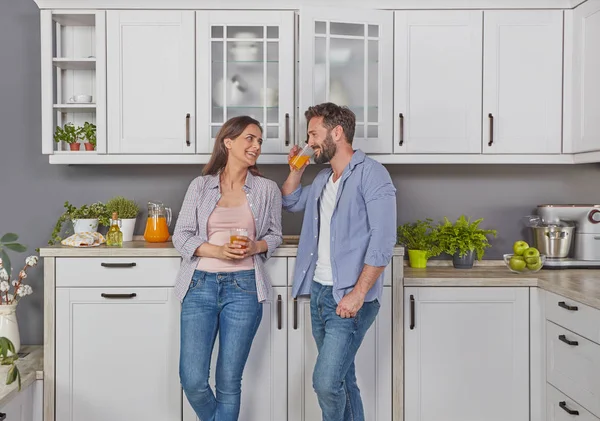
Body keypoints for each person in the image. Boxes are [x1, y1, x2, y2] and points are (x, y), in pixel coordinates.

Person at [282, 103, 396, 421]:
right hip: (319, 293)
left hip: (348, 297)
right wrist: (297, 167)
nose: (310, 142)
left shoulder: (373, 175)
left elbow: (383, 240)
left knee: (326, 382)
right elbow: (289, 201)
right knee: (344, 380)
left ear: (337, 132)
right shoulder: (322, 179)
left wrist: (358, 293)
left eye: (313, 134)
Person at [173, 115, 283, 421]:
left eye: (260, 140)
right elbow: (180, 235)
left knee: (228, 382)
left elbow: (274, 235)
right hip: (200, 285)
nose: (256, 145)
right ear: (228, 142)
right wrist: (217, 250)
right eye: (250, 138)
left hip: (245, 286)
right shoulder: (201, 185)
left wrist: (256, 246)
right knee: (193, 380)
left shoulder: (266, 189)